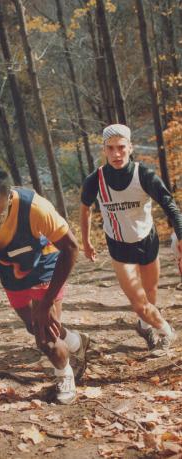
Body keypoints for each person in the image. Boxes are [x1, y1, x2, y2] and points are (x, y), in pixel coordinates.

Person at [0, 163, 89, 405]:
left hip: (45, 259)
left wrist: (46, 302)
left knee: (45, 337)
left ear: (9, 200)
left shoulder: (34, 209)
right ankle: (76, 341)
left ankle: (64, 375)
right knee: (35, 326)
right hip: (10, 269)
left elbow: (72, 247)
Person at [80, 124, 182, 355]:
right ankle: (168, 332)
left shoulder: (143, 174)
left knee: (150, 295)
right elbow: (85, 208)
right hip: (119, 246)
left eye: (121, 148)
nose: (117, 154)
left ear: (130, 147)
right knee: (139, 304)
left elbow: (170, 206)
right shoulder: (95, 179)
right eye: (111, 148)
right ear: (104, 149)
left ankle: (145, 327)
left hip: (147, 241)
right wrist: (85, 242)